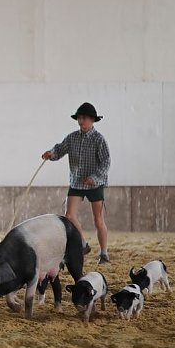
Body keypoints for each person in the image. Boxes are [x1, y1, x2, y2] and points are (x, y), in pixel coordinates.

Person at [42, 102, 111, 264]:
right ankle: (83, 244)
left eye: (84, 118)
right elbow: (59, 149)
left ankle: (104, 253)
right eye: (79, 118)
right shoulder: (72, 137)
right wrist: (51, 154)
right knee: (69, 215)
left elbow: (106, 162)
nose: (81, 121)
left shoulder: (99, 139)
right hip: (76, 182)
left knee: (98, 220)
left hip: (95, 184)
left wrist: (94, 178)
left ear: (92, 120)